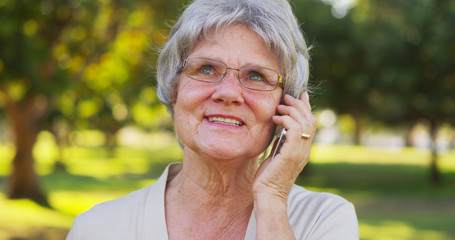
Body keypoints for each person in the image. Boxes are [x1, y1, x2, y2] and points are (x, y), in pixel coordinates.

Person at [66, 0, 359, 239]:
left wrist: (271, 199)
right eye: (206, 69)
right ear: (173, 88)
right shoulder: (97, 229)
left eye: (256, 76)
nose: (228, 92)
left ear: (288, 106)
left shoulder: (324, 221)